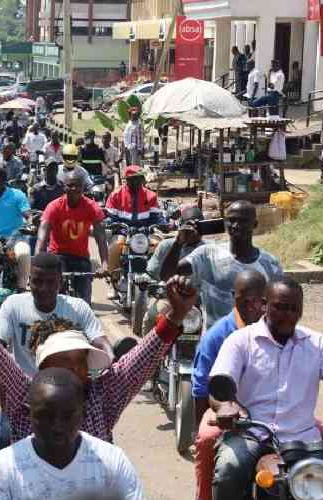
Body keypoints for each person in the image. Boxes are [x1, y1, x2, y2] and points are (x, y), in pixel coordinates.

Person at [0, 271, 197, 445]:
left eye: (79, 362)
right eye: (61, 362)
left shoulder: (101, 396)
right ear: (43, 368)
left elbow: (140, 360)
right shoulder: (23, 395)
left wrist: (177, 313)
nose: (71, 371)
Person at [209, 277, 323, 500]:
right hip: (251, 435)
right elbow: (218, 386)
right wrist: (225, 406)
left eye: (294, 309)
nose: (288, 314)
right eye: (280, 307)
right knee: (228, 470)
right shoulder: (240, 340)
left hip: (304, 441)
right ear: (264, 304)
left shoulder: (317, 343)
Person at [0, 253, 112, 451]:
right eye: (37, 281)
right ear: (29, 281)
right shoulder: (13, 305)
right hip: (23, 390)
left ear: (60, 282)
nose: (44, 288)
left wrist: (109, 357)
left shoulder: (78, 307)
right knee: (3, 437)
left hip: (69, 390)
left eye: (50, 282)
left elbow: (100, 340)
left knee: (102, 438)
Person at [0, 367, 144, 500]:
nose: (57, 426)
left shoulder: (113, 462)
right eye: (46, 416)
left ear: (84, 413)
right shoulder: (2, 469)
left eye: (67, 416)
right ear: (29, 414)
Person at [191, 270, 267, 500]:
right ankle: (205, 495)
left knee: (322, 434)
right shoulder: (216, 336)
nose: (251, 307)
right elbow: (201, 389)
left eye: (257, 301)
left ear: (265, 300)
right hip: (225, 409)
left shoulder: (276, 330)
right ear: (234, 297)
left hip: (270, 409)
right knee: (205, 439)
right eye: (244, 301)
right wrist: (203, 423)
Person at [162, 200, 282, 329]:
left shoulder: (270, 264)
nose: (235, 225)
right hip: (215, 342)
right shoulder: (208, 254)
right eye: (231, 220)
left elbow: (279, 307)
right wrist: (178, 242)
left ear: (255, 224)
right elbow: (166, 275)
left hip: (253, 343)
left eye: (242, 221)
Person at [36, 172, 108, 306]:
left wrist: (104, 263)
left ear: (83, 188)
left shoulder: (91, 206)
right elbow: (42, 236)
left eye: (77, 186)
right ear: (64, 187)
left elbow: (101, 236)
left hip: (81, 257)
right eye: (70, 185)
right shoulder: (54, 206)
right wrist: (39, 261)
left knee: (85, 300)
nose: (73, 189)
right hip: (57, 256)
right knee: (52, 297)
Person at [105, 166, 165, 280]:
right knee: (114, 248)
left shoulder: (151, 196)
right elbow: (110, 216)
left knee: (160, 246)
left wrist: (164, 224)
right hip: (123, 233)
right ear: (127, 180)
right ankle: (114, 281)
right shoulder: (116, 195)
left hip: (145, 233)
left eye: (140, 178)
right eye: (134, 178)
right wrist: (108, 222)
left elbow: (157, 217)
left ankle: (156, 278)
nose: (138, 181)